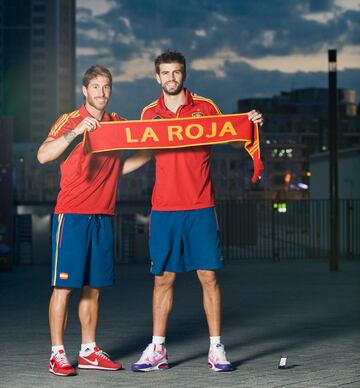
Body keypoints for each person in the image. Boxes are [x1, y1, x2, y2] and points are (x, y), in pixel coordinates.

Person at [131, 51, 264, 372]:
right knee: (162, 279)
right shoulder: (149, 113)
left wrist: (249, 124)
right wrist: (108, 173)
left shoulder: (205, 108)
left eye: (176, 72)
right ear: (157, 77)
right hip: (163, 210)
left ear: (184, 75)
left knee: (208, 277)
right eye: (165, 73)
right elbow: (143, 154)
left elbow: (232, 138)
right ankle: (158, 349)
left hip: (201, 206)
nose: (171, 78)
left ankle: (216, 348)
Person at [37, 65, 148, 376]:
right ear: (85, 91)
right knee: (63, 287)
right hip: (71, 214)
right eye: (96, 87)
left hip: (102, 214)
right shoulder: (70, 120)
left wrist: (145, 156)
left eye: (107, 86)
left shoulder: (117, 124)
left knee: (93, 288)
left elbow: (129, 160)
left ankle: (88, 350)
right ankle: (57, 353)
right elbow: (43, 156)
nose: (102, 92)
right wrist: (76, 132)